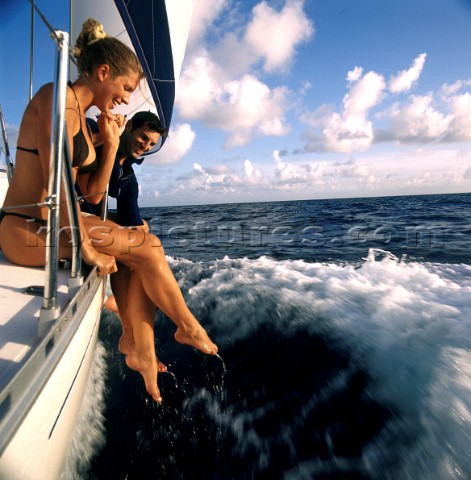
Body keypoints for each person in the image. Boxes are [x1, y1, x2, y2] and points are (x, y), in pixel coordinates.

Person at [0, 18, 217, 404]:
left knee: (146, 244)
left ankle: (139, 347)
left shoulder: (82, 123)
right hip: (24, 230)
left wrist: (113, 143)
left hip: (54, 226)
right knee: (146, 249)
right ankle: (174, 331)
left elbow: (92, 191)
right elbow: (56, 181)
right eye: (126, 88)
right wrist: (85, 247)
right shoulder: (59, 100)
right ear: (103, 73)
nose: (126, 99)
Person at [76, 111, 165, 313]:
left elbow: (132, 223)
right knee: (142, 241)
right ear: (130, 126)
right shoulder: (97, 133)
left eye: (151, 144)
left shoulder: (128, 178)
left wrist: (139, 225)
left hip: (96, 223)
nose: (146, 146)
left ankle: (122, 301)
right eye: (143, 137)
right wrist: (109, 137)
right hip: (69, 217)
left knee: (142, 232)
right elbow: (76, 138)